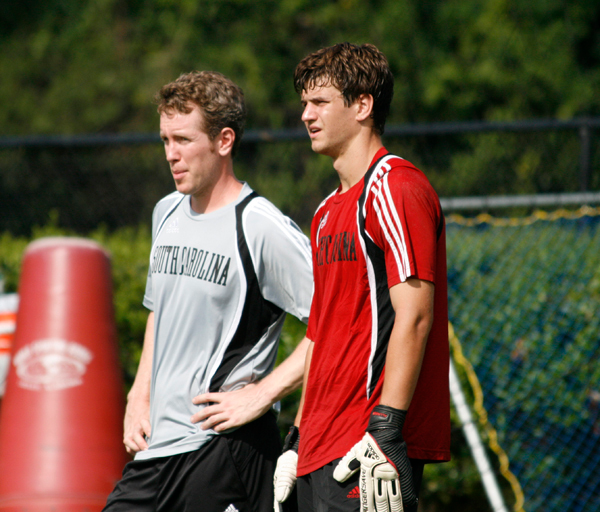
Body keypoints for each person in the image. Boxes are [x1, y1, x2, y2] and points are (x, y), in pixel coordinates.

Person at [103, 70, 313, 512]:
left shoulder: (260, 226)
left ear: (224, 141)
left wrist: (264, 393)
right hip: (158, 450)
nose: (170, 154)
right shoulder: (166, 212)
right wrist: (138, 395)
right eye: (164, 140)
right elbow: (161, 311)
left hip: (225, 449)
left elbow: (342, 320)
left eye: (183, 139)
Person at [273, 43, 450, 512]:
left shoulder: (394, 186)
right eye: (304, 104)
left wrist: (387, 429)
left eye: (320, 102)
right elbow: (322, 334)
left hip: (365, 447)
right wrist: (296, 435)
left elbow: (414, 316)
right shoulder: (326, 211)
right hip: (317, 447)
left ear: (363, 106)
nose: (306, 115)